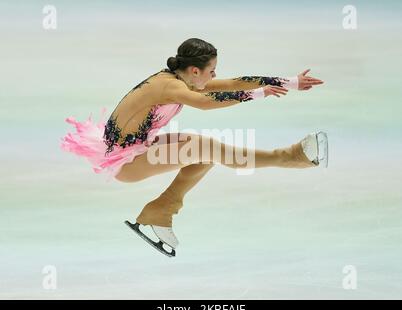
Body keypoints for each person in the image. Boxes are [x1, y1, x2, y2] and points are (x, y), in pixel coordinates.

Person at [60, 38, 327, 257]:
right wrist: (259, 94)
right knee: (205, 147)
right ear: (195, 70)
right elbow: (205, 102)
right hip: (125, 161)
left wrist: (290, 82)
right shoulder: (169, 86)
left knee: (203, 155)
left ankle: (161, 210)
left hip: (137, 148)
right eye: (212, 70)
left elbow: (234, 82)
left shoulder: (182, 79)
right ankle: (292, 156)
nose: (215, 75)